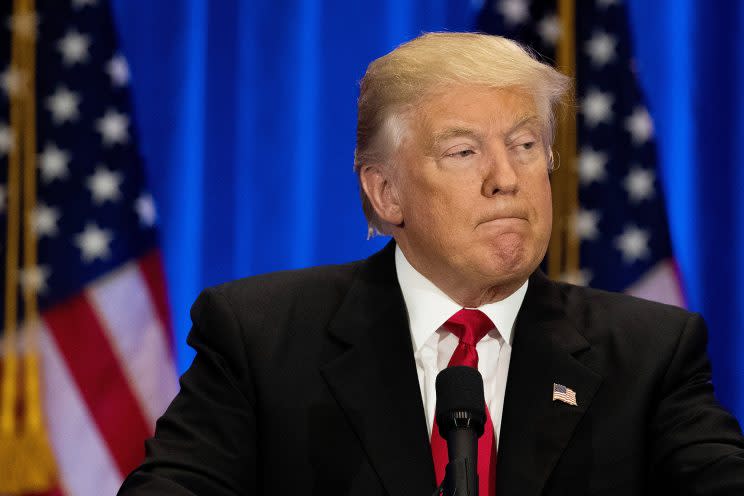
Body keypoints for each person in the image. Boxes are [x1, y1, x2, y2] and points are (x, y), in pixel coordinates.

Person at [119, 33, 744, 495]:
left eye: (526, 145)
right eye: (464, 151)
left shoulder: (651, 353)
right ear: (386, 192)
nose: (506, 178)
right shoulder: (260, 338)